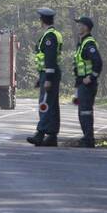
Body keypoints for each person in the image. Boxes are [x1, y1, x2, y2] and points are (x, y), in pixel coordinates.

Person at [28, 8, 64, 146]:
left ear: (42, 20)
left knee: (45, 104)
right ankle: (52, 136)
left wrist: (47, 78)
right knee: (52, 105)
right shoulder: (53, 34)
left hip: (50, 74)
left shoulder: (49, 36)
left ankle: (40, 133)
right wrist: (41, 77)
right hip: (49, 73)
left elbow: (50, 58)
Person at [72, 16, 103, 148]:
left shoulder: (88, 43)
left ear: (86, 27)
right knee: (82, 111)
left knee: (85, 112)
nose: (78, 27)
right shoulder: (82, 43)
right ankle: (86, 138)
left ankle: (89, 140)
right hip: (81, 84)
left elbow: (98, 62)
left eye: (80, 25)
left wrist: (91, 77)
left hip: (87, 85)